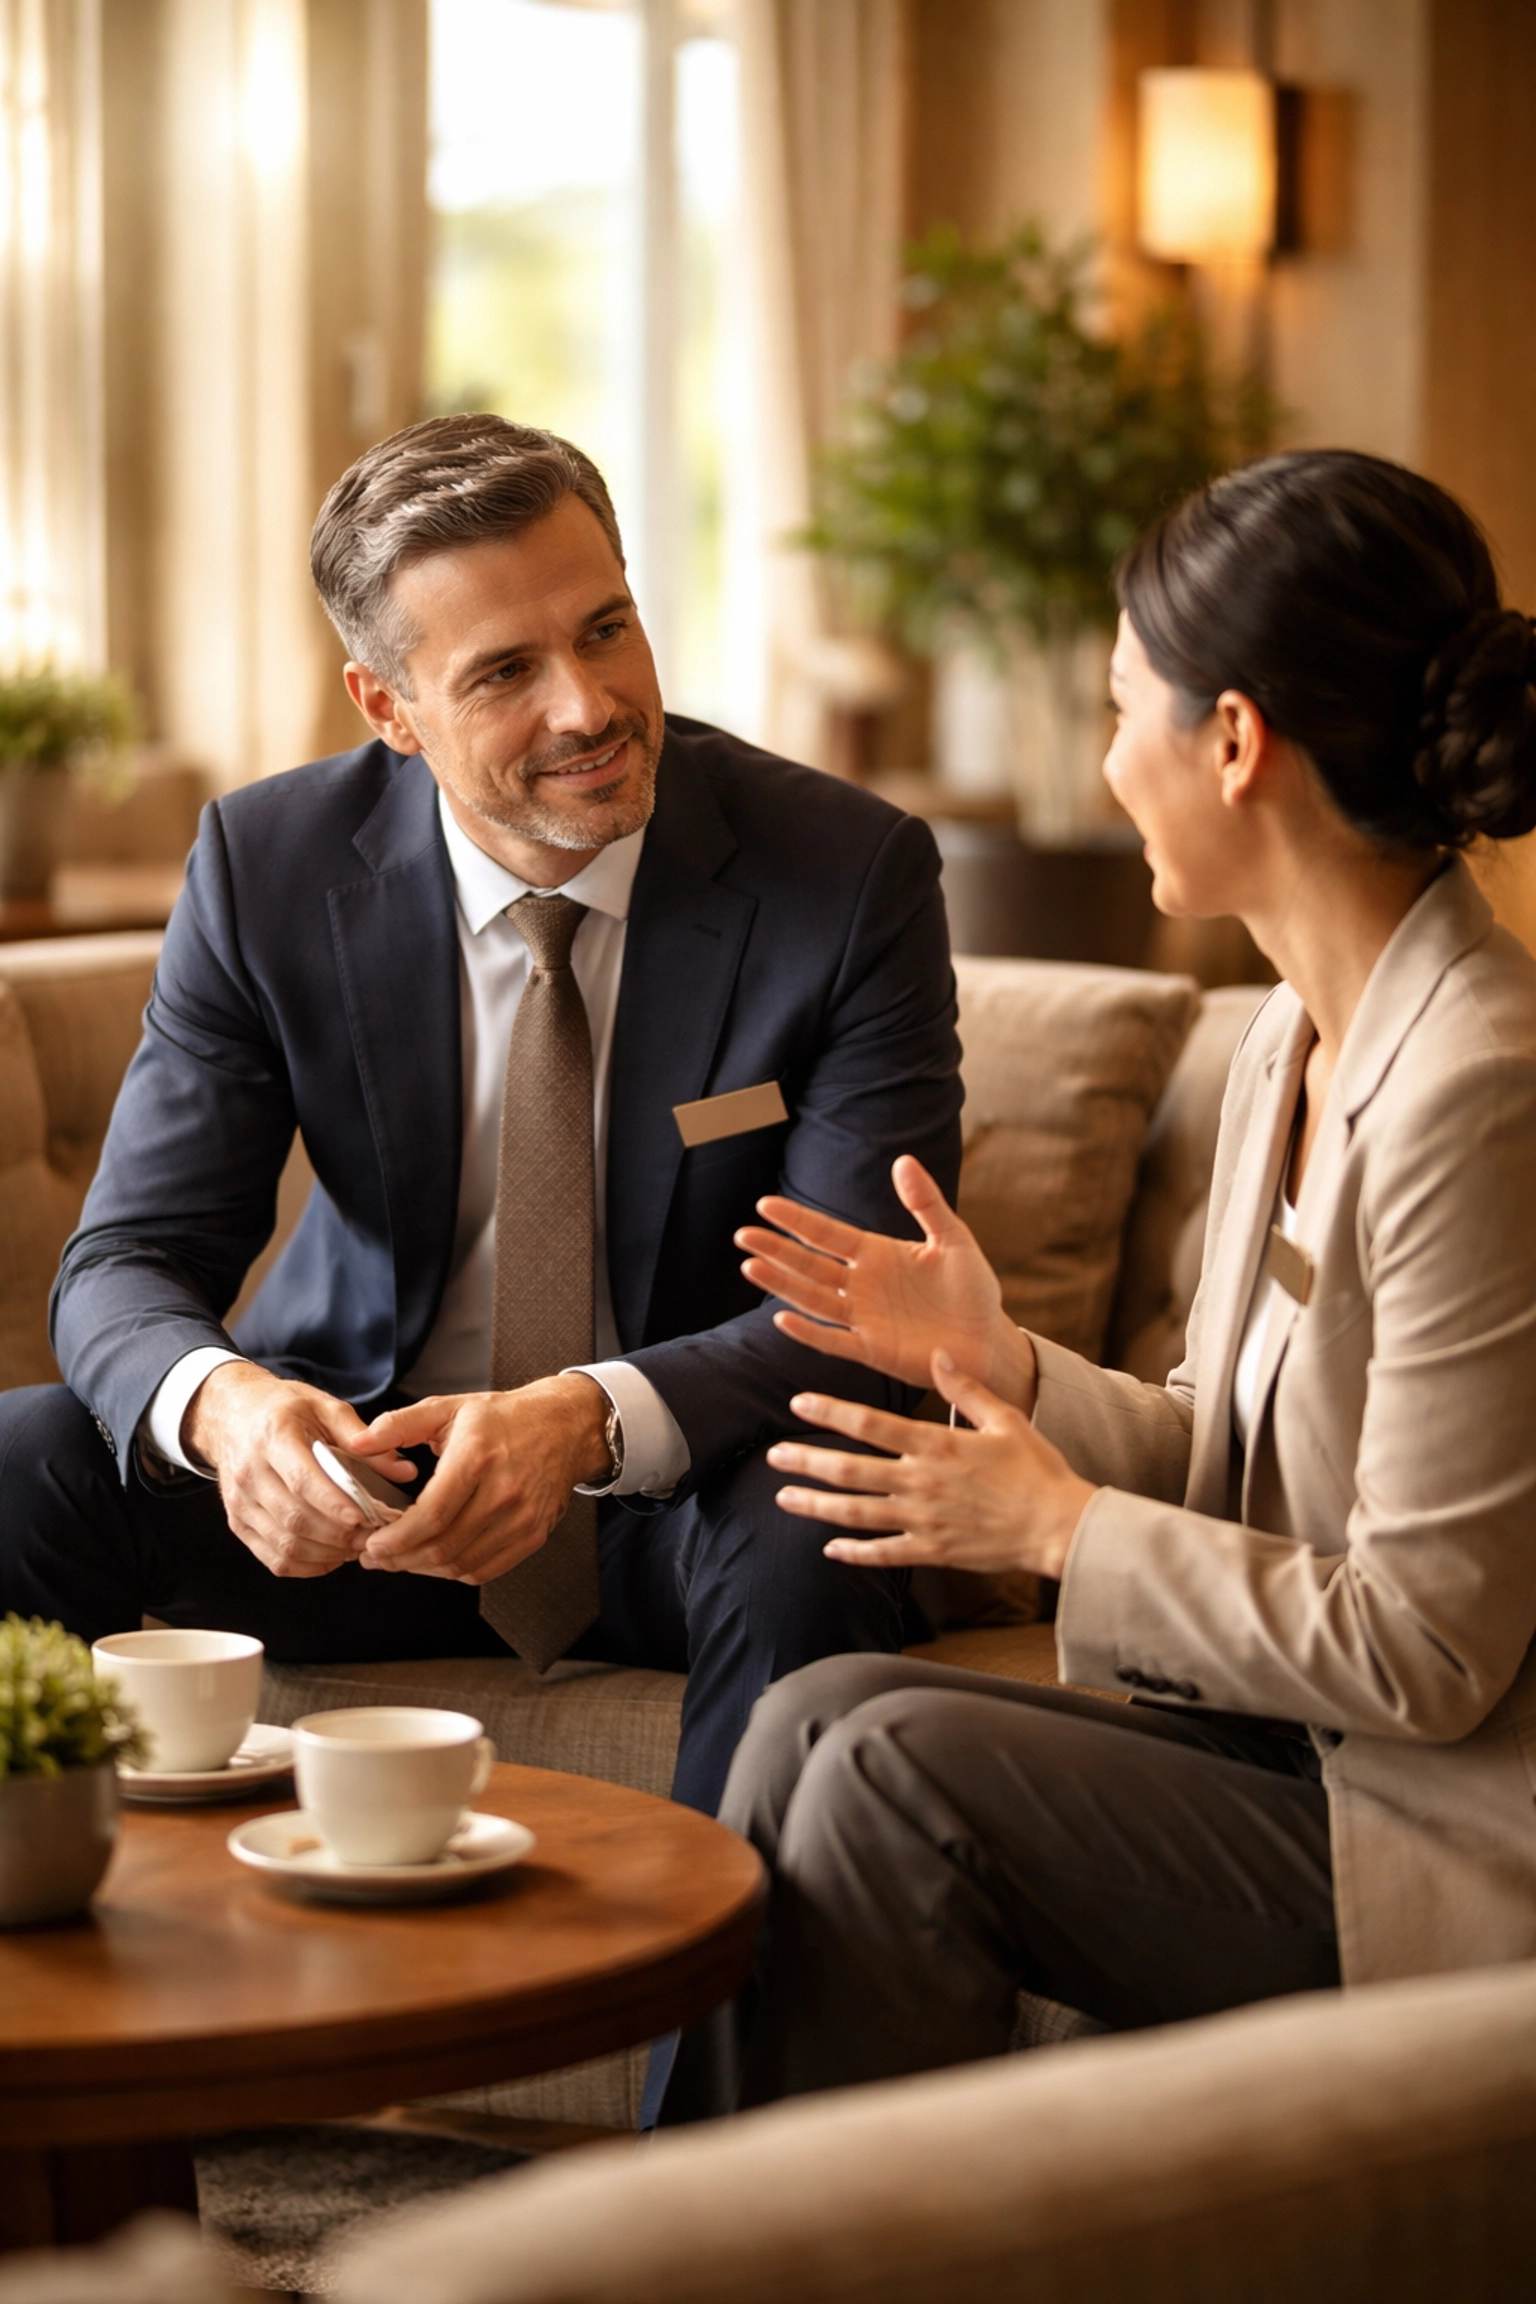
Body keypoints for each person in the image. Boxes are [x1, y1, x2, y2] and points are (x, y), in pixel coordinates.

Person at [676, 449, 1536, 2109]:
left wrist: (1059, 1530)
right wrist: (1008, 1363)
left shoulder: (1479, 1092)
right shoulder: (1295, 1036)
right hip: (1296, 1752)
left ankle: (809, 2233)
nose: (1106, 760)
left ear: (1235, 741)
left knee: (890, 1769)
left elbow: (1427, 1648)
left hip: (1438, 1832)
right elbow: (1238, 1442)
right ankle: (722, 2225)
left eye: (1121, 706)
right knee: (817, 1715)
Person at [0, 414, 962, 1817]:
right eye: (506, 671)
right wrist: (231, 1413)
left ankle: (732, 1968)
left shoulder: (848, 875)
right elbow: (126, 1260)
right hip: (360, 1489)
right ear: (388, 708)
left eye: (606, 630)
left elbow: (862, 1306)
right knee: (22, 1463)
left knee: (811, 1523)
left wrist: (582, 1423)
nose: (587, 706)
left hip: (688, 1496)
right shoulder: (267, 867)